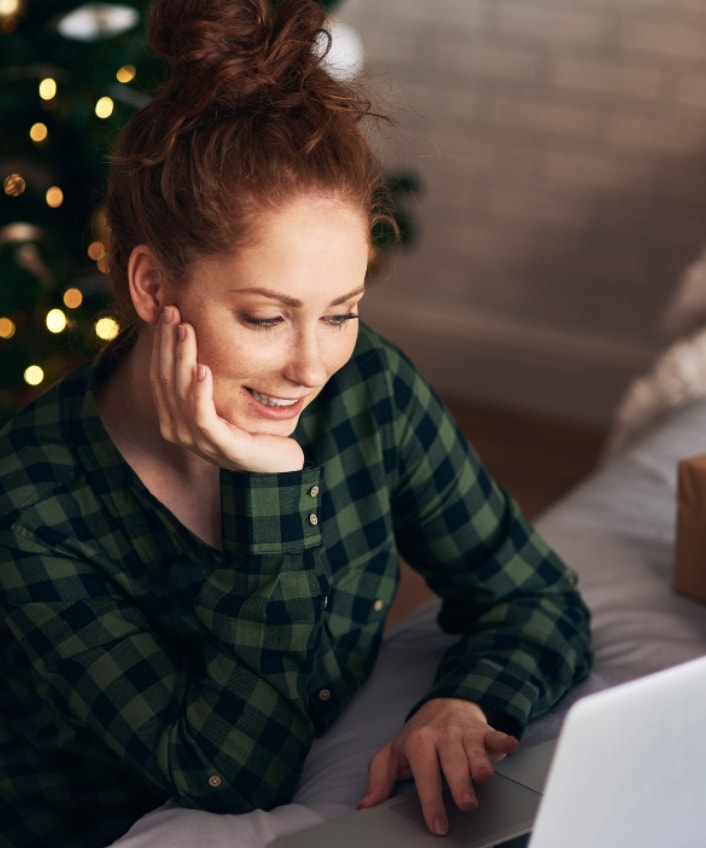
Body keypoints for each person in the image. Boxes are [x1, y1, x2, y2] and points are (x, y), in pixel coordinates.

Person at [0, 0, 592, 845]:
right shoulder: (34, 502)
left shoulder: (368, 389)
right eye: (266, 317)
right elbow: (232, 776)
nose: (314, 367)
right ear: (152, 288)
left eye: (341, 311)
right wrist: (267, 482)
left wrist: (465, 704)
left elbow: (532, 593)